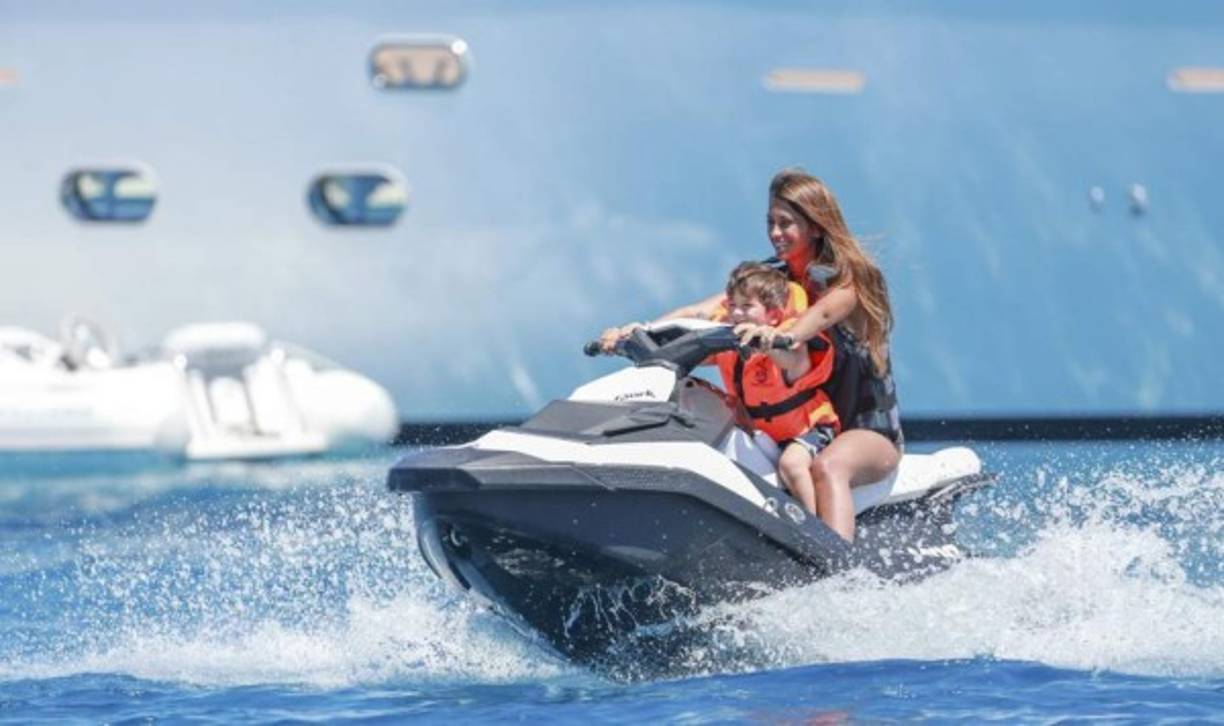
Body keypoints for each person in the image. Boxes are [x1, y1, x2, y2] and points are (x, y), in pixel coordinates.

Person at [600, 168, 901, 542]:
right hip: (793, 428)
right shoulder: (769, 282)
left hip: (863, 433)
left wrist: (777, 336)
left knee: (828, 466)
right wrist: (639, 331)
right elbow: (701, 312)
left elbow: (813, 322)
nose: (775, 233)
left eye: (786, 223)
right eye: (770, 222)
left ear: (817, 227)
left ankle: (838, 569)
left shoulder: (847, 283)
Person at [707, 261, 840, 516]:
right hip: (764, 438)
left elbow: (793, 361)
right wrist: (642, 335)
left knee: (791, 464)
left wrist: (767, 343)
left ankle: (815, 533)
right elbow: (688, 348)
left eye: (747, 307)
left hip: (811, 429)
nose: (736, 314)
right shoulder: (727, 345)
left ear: (774, 315)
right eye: (732, 306)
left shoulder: (787, 345)